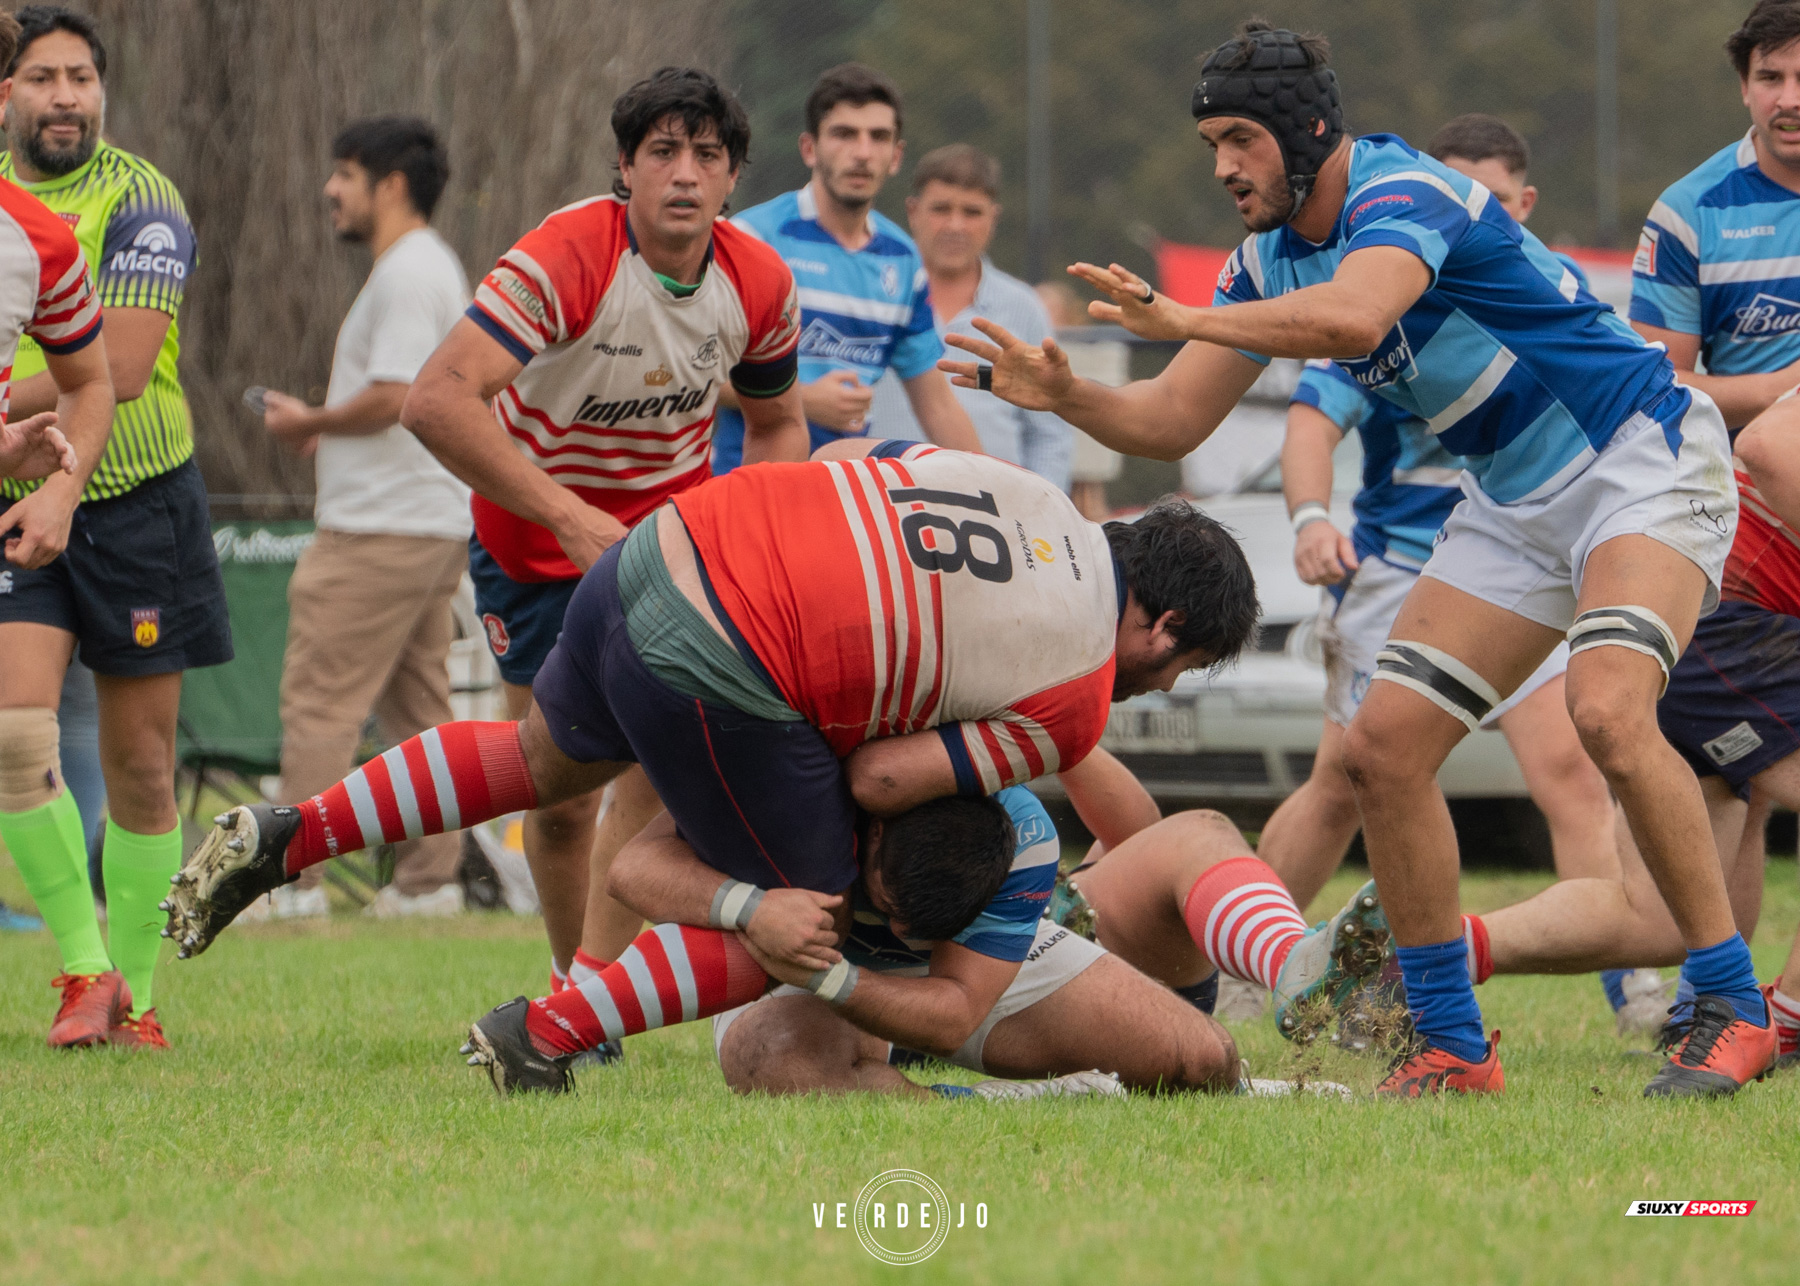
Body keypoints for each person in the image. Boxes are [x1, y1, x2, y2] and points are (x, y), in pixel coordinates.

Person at [944, 21, 1768, 1098]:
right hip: (1516, 497)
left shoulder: (1402, 191)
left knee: (1607, 710)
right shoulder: (1264, 261)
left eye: (1239, 138)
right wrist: (1068, 395)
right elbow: (1170, 418)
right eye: (1209, 146)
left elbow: (1356, 316)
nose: (1225, 166)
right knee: (1381, 748)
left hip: (1639, 452)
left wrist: (1195, 310)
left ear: (1306, 130)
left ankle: (1729, 1002)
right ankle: (1452, 1042)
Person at [160, 446, 1261, 1084]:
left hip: (664, 546)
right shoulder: (1072, 692)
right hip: (732, 648)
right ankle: (547, 1033)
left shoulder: (1024, 491)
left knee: (539, 758)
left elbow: (844, 474)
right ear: (1158, 625)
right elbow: (883, 781)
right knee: (847, 903)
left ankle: (292, 833)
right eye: (1177, 670)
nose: (1155, 689)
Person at [390, 68, 812, 1011]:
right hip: (535, 553)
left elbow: (780, 422)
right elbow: (435, 400)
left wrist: (753, 527)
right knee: (558, 787)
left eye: (708, 155)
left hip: (670, 549)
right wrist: (570, 518)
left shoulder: (761, 281)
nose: (685, 174)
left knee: (656, 768)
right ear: (626, 168)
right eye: (662, 151)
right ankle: (565, 965)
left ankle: (590, 992)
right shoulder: (566, 256)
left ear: (734, 178)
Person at [0, 5, 220, 1053]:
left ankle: (135, 993)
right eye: (43, 77)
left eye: (81, 77)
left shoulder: (142, 201)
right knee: (13, 733)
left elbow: (120, 370)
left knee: (141, 763)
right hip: (16, 489)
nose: (64, 97)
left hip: (135, 503)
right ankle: (82, 967)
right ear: (9, 94)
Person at [251, 116, 472, 921]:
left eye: (344, 173)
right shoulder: (422, 265)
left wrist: (310, 422)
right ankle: (428, 884)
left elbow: (396, 396)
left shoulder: (410, 270)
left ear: (390, 184)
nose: (330, 190)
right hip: (425, 521)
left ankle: (288, 885)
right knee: (421, 716)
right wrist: (326, 425)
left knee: (319, 702)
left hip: (382, 529)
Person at [710, 63, 980, 471]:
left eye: (879, 137)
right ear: (809, 148)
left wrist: (1000, 490)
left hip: (842, 494)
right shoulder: (751, 237)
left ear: (896, 156)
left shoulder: (903, 261)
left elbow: (938, 406)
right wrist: (800, 399)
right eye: (844, 134)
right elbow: (691, 375)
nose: (862, 152)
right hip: (743, 486)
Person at [1632, 0, 1800, 432]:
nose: (1789, 99)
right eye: (1769, 78)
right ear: (1745, 86)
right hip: (1747, 482)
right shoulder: (1688, 213)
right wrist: (1784, 389)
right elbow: (1655, 388)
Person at [866, 144, 1072, 489]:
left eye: (972, 212)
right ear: (913, 211)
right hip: (878, 507)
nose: (955, 225)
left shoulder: (1024, 308)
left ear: (994, 217)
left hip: (994, 516)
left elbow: (1050, 435)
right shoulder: (869, 296)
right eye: (941, 209)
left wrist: (1039, 512)